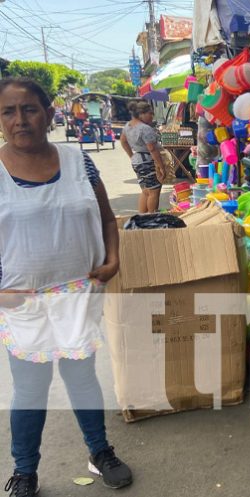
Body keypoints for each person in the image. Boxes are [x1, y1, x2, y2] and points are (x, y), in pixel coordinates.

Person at [0, 77, 132, 496]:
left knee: (83, 379)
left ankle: (99, 451)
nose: (20, 120)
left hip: (79, 293)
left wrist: (113, 258)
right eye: (8, 111)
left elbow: (108, 218)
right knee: (31, 390)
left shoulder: (79, 162)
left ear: (49, 114)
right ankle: (25, 471)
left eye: (29, 109)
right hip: (24, 303)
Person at [120, 100, 165, 213]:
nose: (152, 116)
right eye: (150, 113)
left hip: (137, 160)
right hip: (147, 160)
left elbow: (123, 141)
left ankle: (142, 217)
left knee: (145, 191)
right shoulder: (145, 128)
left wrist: (132, 156)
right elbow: (152, 149)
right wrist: (161, 166)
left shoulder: (128, 126)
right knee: (154, 191)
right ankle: (151, 218)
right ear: (142, 114)